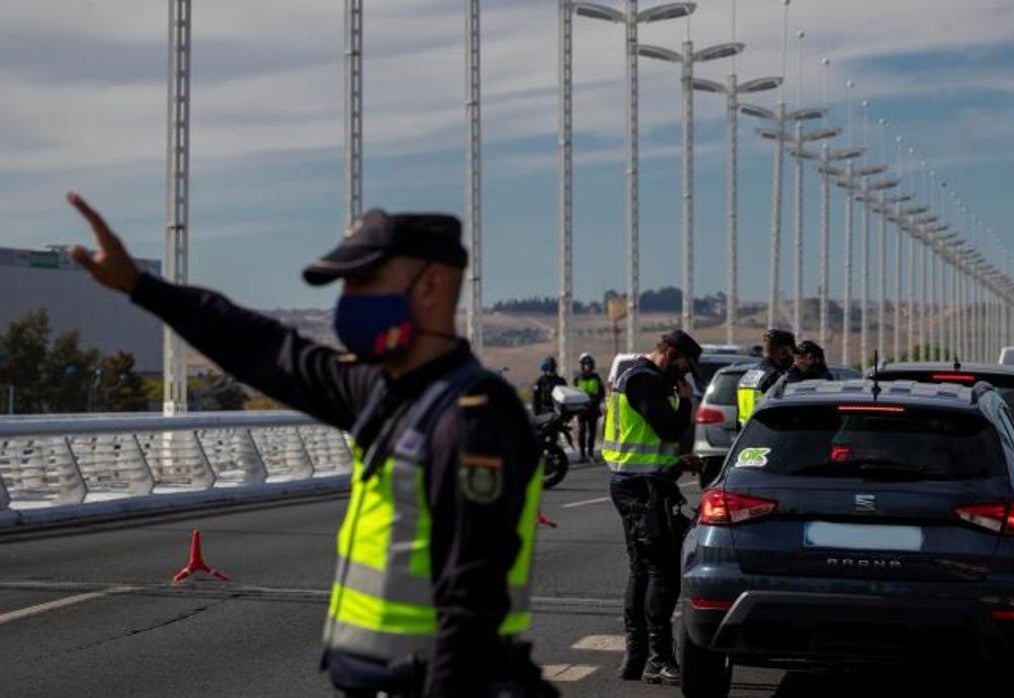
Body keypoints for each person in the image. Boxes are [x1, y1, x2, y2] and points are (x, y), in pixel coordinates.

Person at [65, 196, 554, 698]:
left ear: (430, 285)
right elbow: (261, 346)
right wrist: (140, 287)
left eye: (364, 281)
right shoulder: (386, 392)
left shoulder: (472, 417)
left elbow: (471, 606)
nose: (348, 299)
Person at [602, 331, 703, 685]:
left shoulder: (637, 377)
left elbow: (650, 442)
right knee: (662, 571)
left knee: (642, 569)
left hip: (639, 483)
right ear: (671, 354)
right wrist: (687, 403)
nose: (685, 376)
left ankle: (638, 658)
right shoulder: (645, 380)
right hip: (643, 490)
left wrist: (678, 462)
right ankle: (658, 659)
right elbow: (669, 429)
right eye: (684, 367)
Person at [736, 328, 796, 426]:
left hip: (746, 437)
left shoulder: (747, 376)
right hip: (769, 437)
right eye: (791, 353)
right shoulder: (776, 378)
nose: (793, 358)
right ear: (782, 353)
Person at [574, 353, 605, 462]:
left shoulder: (596, 378)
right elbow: (574, 392)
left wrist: (596, 399)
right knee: (582, 431)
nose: (588, 366)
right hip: (581, 409)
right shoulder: (578, 378)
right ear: (582, 365)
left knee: (592, 432)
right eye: (586, 364)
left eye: (589, 364)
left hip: (593, 409)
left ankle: (590, 453)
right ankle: (582, 454)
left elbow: (602, 392)